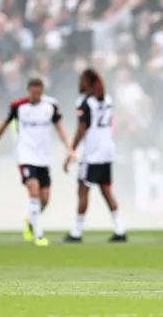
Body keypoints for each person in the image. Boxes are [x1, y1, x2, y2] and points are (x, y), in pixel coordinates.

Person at [0, 78, 75, 246]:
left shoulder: (50, 107)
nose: (35, 96)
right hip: (25, 155)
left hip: (43, 158)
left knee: (45, 199)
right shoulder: (18, 106)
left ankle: (30, 222)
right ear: (28, 91)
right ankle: (38, 234)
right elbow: (4, 124)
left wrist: (69, 147)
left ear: (42, 91)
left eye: (38, 93)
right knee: (33, 191)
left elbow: (59, 127)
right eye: (33, 93)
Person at [62, 69, 127, 243]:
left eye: (81, 80)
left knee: (83, 189)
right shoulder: (107, 99)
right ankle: (120, 229)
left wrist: (71, 150)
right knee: (106, 190)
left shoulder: (85, 103)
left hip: (92, 154)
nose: (79, 84)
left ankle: (76, 232)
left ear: (87, 82)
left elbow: (82, 129)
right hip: (107, 151)